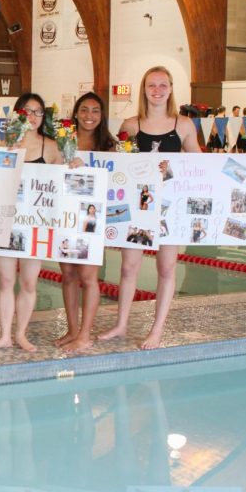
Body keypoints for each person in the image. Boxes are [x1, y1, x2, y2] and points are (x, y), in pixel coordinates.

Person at [100, 66, 201, 349]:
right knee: (129, 267)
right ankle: (121, 324)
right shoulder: (131, 125)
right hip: (140, 204)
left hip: (171, 208)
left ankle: (156, 330)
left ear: (170, 88)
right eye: (151, 86)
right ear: (144, 90)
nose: (157, 91)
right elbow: (116, 164)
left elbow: (201, 164)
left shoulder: (183, 126)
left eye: (162, 85)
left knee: (167, 268)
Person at [0, 93, 62, 353]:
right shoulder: (5, 144)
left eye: (38, 112)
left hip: (35, 224)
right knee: (6, 281)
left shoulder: (50, 147)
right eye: (27, 111)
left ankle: (20, 334)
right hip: (7, 223)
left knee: (29, 282)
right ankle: (4, 334)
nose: (33, 116)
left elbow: (60, 187)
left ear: (43, 117)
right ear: (18, 113)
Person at [55, 92, 115, 352]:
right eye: (84, 110)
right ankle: (72, 329)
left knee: (88, 277)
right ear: (76, 113)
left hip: (92, 218)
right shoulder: (62, 142)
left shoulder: (110, 147)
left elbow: (117, 183)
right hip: (66, 215)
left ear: (102, 116)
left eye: (95, 111)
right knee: (68, 275)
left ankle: (85, 334)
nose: (89, 116)